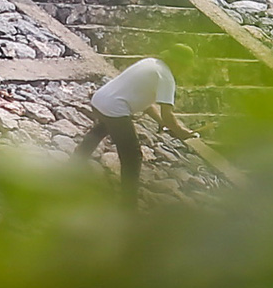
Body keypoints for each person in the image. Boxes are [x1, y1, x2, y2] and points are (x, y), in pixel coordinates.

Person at [74, 46, 197, 200]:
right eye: (185, 67)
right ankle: (128, 202)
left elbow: (147, 103)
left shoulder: (150, 63)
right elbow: (168, 114)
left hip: (99, 100)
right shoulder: (166, 78)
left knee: (101, 129)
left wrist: (161, 122)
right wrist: (181, 131)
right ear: (179, 64)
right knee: (132, 156)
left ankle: (75, 163)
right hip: (115, 109)